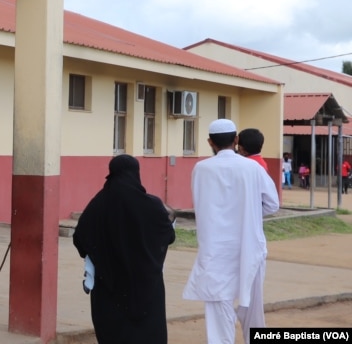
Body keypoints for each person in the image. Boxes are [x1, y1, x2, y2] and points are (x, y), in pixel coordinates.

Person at [183, 119, 279, 344]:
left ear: (210, 142)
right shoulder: (252, 167)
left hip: (215, 250)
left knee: (219, 305)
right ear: (236, 140)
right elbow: (272, 204)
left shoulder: (201, 169)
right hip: (249, 246)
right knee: (253, 306)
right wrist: (249, 214)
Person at [73, 154, 176, 343]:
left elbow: (80, 238)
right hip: (146, 287)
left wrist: (101, 254)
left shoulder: (99, 203)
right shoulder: (151, 205)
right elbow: (168, 236)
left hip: (109, 286)